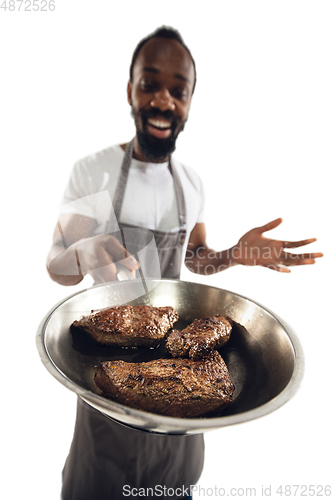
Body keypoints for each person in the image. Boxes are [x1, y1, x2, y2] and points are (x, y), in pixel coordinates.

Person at [47, 26, 323, 500]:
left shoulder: (190, 185)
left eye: (179, 90)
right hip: (110, 380)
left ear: (190, 102)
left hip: (181, 375)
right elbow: (56, 266)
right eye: (149, 83)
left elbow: (196, 259)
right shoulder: (93, 172)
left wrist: (235, 254)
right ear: (129, 90)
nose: (163, 101)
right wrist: (83, 250)